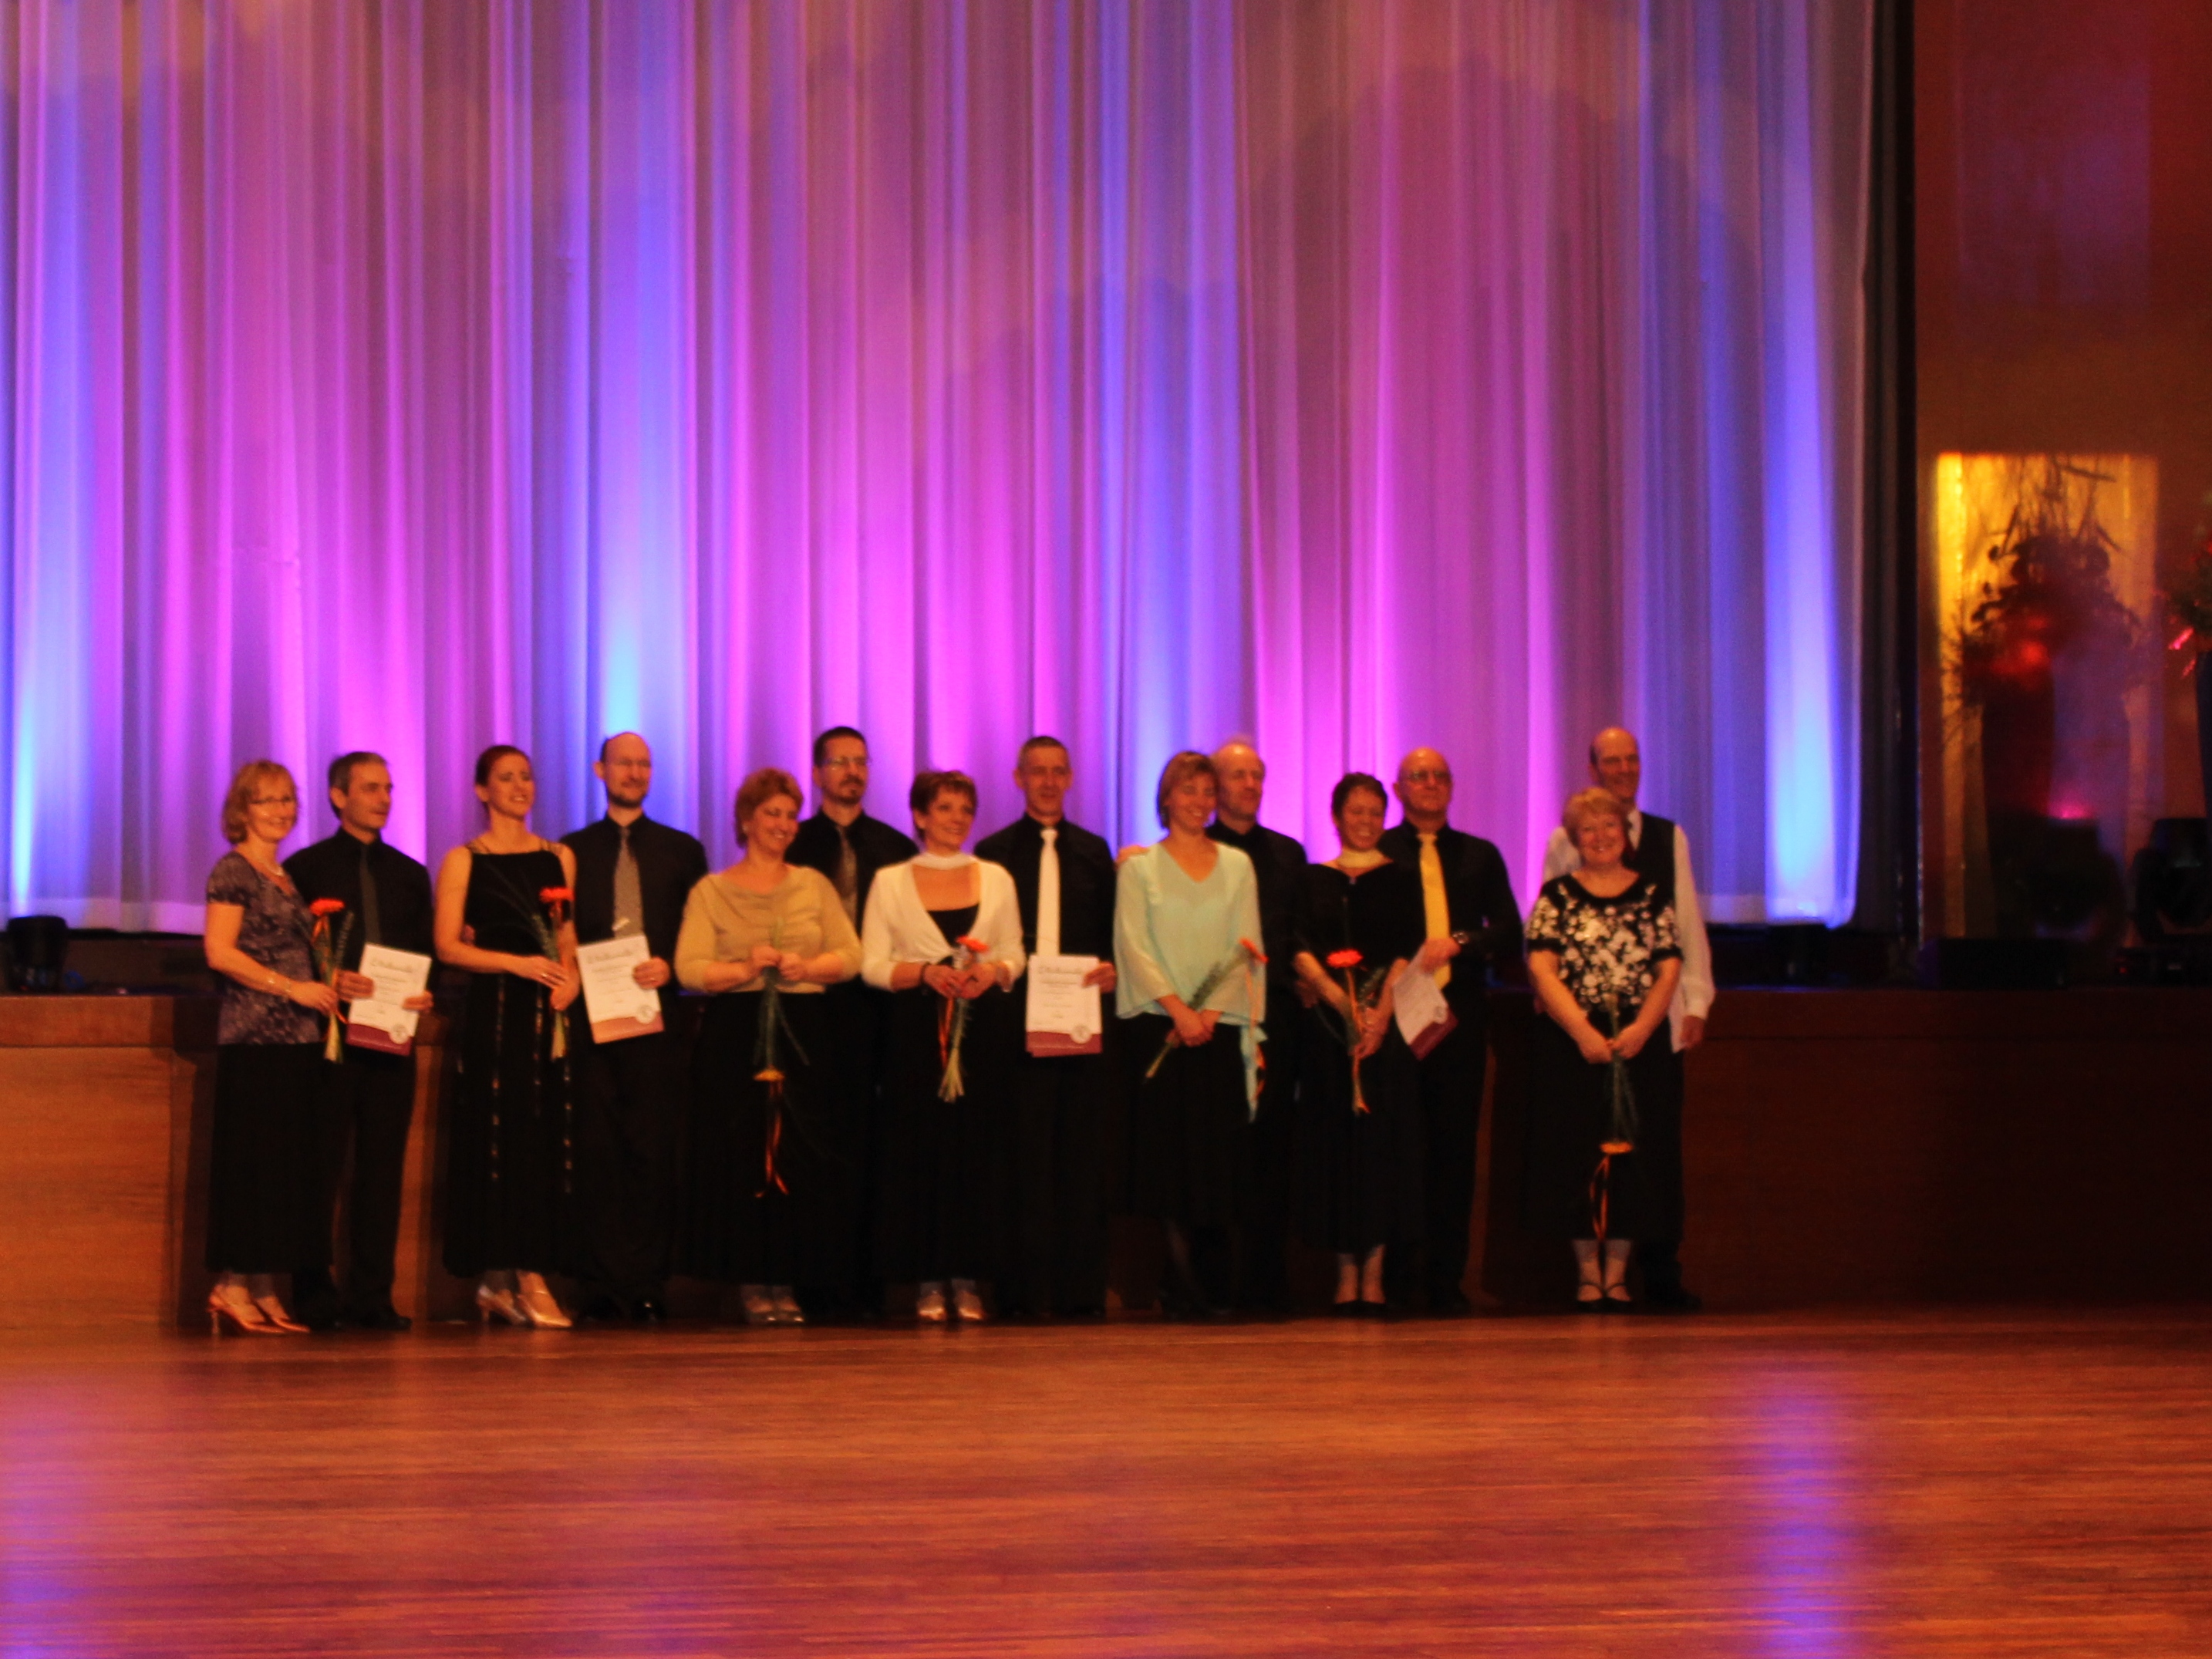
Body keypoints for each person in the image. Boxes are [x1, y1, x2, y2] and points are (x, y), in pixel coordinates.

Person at [677, 768, 863, 1324]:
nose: (783, 824)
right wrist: (742, 968)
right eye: (771, 813)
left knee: (800, 1153)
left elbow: (852, 955)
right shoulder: (712, 890)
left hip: (804, 1030)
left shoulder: (813, 885)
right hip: (736, 1034)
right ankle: (752, 1281)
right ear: (745, 820)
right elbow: (688, 967)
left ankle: (790, 1278)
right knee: (744, 1154)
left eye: (790, 814)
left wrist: (810, 966)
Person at [1540, 726, 1713, 1310]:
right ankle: (1593, 1274)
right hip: (1582, 1029)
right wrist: (1571, 1017)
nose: (1623, 768)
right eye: (1611, 760)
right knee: (1581, 1147)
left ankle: (1657, 1274)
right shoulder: (1563, 840)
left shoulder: (1668, 836)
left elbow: (1685, 924)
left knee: (1651, 1146)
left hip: (1651, 1024)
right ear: (1593, 767)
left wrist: (1697, 1001)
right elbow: (1549, 934)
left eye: (1631, 759)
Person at [861, 770, 1025, 1322]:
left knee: (977, 1153)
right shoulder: (890, 881)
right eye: (945, 807)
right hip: (915, 1034)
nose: (957, 818)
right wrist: (925, 972)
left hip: (982, 1032)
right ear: (920, 816)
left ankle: (969, 1276)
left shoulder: (997, 877)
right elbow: (871, 964)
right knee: (921, 1153)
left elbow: (1015, 953)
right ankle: (928, 1278)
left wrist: (993, 971)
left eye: (965, 808)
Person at [282, 751, 437, 1331]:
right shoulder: (305, 868)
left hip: (393, 1037)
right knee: (318, 1167)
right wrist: (328, 978)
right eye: (371, 788)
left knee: (382, 1170)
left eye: (388, 788)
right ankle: (313, 1295)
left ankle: (373, 1296)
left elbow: (425, 953)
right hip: (330, 1037)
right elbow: (289, 952)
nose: (384, 799)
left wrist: (425, 992)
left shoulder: (410, 874)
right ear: (338, 796)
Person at [561, 733, 710, 1324]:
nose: (635, 771)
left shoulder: (683, 850)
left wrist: (671, 963)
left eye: (644, 762)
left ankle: (648, 1281)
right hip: (591, 1020)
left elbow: (699, 933)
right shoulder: (571, 850)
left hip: (658, 1017)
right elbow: (559, 930)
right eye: (624, 762)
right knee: (597, 1147)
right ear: (600, 769)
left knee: (652, 1150)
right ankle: (598, 1282)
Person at [433, 744, 582, 1330]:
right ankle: (522, 1276)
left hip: (548, 1014)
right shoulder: (464, 859)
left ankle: (504, 1282)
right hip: (496, 1014)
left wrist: (570, 977)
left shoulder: (559, 856)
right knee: (499, 1139)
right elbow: (448, 946)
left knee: (542, 1140)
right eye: (506, 777)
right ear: (482, 790)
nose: (521, 786)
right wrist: (517, 964)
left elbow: (566, 934)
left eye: (527, 775)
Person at [974, 737, 1120, 1319]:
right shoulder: (993, 854)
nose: (1050, 781)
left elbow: (1112, 932)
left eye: (1059, 771)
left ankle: (1081, 1291)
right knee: (1022, 1157)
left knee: (1080, 1158)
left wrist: (1112, 967)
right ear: (1019, 778)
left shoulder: (1094, 852)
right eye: (1038, 772)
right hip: (1015, 1026)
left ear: (1072, 778)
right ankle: (1022, 1292)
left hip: (1081, 1025)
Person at [1116, 751, 1265, 1319]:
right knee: (1169, 1163)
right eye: (1189, 790)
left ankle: (1213, 1286)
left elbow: (1246, 945)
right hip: (1162, 1030)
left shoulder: (1238, 866)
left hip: (1218, 1031)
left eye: (1207, 791)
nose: (1200, 801)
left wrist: (1210, 1012)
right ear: (1167, 798)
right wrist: (1178, 1010)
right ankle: (1180, 1288)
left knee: (1216, 1162)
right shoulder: (1140, 869)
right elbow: (1133, 946)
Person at [1376, 747, 1522, 1315]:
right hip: (1396, 1017)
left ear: (1452, 787)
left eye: (1440, 776)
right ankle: (1397, 1278)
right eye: (1419, 776)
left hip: (1459, 1018)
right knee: (1398, 1147)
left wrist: (1462, 942)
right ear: (1398, 788)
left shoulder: (1480, 855)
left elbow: (1508, 930)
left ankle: (1445, 1280)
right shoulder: (1378, 852)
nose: (1431, 783)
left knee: (1454, 1151)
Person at [1524, 788, 1682, 1310]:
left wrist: (1641, 1029)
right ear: (1575, 839)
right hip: (1575, 1044)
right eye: (1587, 829)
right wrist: (1583, 1032)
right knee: (1575, 1154)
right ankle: (1587, 1274)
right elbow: (1542, 968)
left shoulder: (1653, 893)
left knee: (1633, 1157)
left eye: (1609, 825)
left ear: (1625, 833)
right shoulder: (1556, 895)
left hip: (1638, 1042)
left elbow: (1669, 968)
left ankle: (1617, 1275)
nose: (1600, 837)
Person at [200, 761, 339, 1335]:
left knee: (281, 1169)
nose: (282, 810)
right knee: (251, 1166)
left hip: (297, 1039)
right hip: (255, 1039)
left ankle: (259, 1284)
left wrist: (332, 984)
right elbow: (220, 951)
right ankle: (231, 1283)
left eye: (288, 799)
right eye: (267, 800)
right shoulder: (233, 870)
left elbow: (296, 954)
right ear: (243, 808)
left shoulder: (283, 875)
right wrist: (290, 988)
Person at [1292, 774, 1435, 1315]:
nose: (1367, 821)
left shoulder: (1401, 878)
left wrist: (1377, 1017)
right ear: (1336, 817)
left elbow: (1407, 950)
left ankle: (1373, 1275)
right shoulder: (1313, 878)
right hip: (1329, 1034)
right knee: (1336, 1148)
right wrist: (1339, 1001)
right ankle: (1343, 1274)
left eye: (1376, 812)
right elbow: (1299, 944)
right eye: (1356, 811)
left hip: (1384, 1035)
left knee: (1379, 1150)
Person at [787, 727, 916, 1315]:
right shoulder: (793, 843)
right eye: (839, 761)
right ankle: (813, 1279)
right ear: (817, 773)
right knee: (812, 1142)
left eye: (860, 761)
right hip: (808, 1008)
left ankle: (868, 1280)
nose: (852, 771)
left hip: (878, 1014)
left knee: (873, 1144)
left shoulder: (895, 847)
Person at [1205, 740, 1310, 1316]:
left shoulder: (1288, 854)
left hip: (1278, 1022)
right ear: (1215, 785)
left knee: (1272, 1152)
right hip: (1215, 1022)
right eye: (1238, 775)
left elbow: (1298, 934)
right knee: (1221, 1151)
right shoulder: (1195, 850)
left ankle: (1266, 1283)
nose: (1250, 784)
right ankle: (1214, 1285)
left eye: (1257, 775)